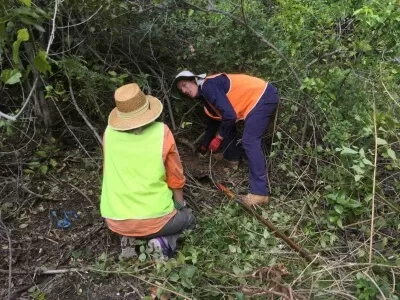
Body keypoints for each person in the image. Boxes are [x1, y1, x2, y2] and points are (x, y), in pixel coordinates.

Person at [100, 83, 195, 260]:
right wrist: (181, 207)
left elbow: (111, 171)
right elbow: (175, 177)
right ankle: (163, 243)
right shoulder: (162, 132)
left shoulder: (108, 133)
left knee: (133, 219)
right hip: (156, 217)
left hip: (115, 218)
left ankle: (128, 238)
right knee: (188, 220)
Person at [171, 71, 279, 206]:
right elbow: (213, 123)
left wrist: (219, 138)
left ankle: (260, 193)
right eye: (181, 89)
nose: (184, 90)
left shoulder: (208, 87)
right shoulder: (205, 97)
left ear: (193, 80)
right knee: (227, 124)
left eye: (185, 85)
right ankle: (231, 158)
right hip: (256, 100)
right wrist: (204, 146)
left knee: (250, 141)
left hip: (263, 96)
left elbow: (229, 115)